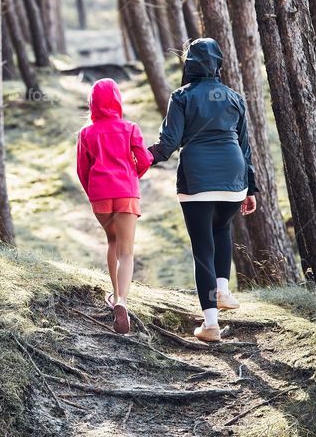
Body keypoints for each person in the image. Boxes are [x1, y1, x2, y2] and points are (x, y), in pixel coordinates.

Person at [148, 38, 258, 342]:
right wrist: (250, 188)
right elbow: (245, 147)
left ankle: (210, 325)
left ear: (189, 64)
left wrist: (142, 158)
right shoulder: (235, 97)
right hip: (234, 178)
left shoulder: (181, 96)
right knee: (222, 229)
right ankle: (223, 291)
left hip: (198, 179)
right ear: (218, 63)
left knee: (202, 250)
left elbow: (169, 143)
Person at [76, 78, 152, 334]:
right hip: (126, 193)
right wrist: (132, 177)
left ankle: (115, 294)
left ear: (93, 103)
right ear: (117, 100)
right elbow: (143, 160)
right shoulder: (130, 128)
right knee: (127, 252)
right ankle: (122, 301)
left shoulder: (86, 133)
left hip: (101, 197)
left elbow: (82, 170)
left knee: (111, 243)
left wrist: (94, 194)